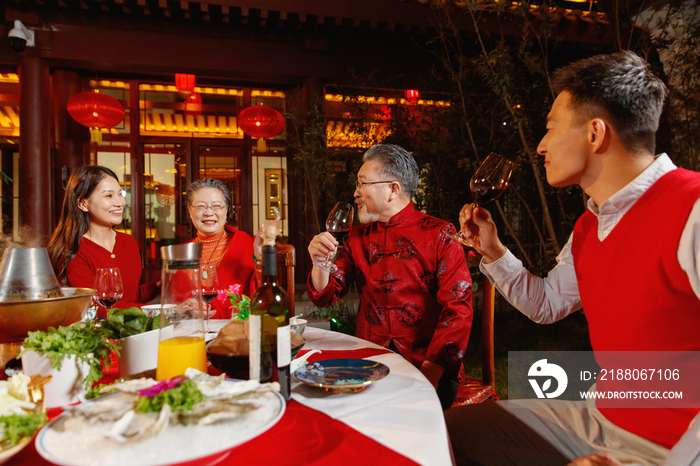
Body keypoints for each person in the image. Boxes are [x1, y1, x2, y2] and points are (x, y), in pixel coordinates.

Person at [446, 51, 700, 465]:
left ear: (595, 134)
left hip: (673, 448)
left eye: (550, 129)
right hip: (600, 419)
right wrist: (492, 251)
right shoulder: (590, 226)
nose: (541, 146)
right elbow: (547, 305)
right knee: (448, 433)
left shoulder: (692, 208)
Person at [307, 143, 474, 409]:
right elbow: (325, 296)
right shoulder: (357, 237)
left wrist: (429, 374)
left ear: (393, 189)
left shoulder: (440, 234)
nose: (356, 193)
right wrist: (319, 264)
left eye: (363, 184)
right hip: (368, 362)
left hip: (429, 366)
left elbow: (458, 311)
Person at [47, 166, 159, 315]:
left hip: (130, 332)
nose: (119, 202)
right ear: (82, 204)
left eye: (120, 194)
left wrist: (159, 285)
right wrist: (158, 312)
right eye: (108, 196)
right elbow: (94, 307)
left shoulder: (128, 242)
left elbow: (128, 298)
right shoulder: (72, 249)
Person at [185, 178, 268, 319]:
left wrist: (260, 258)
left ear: (226, 210)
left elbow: (265, 296)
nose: (209, 213)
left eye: (217, 206)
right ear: (189, 210)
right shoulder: (182, 252)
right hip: (191, 332)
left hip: (236, 331)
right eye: (200, 206)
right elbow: (172, 304)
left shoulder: (243, 243)